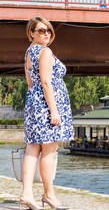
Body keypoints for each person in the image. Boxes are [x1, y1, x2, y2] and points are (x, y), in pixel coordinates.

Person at [22, 16, 73, 209]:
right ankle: (49, 195)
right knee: (49, 152)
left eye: (48, 30)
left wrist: (34, 106)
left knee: (32, 148)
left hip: (35, 102)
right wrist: (54, 111)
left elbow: (30, 83)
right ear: (31, 33)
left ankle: (27, 193)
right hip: (47, 104)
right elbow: (45, 82)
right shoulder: (45, 51)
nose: (46, 34)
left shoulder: (28, 52)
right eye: (41, 31)